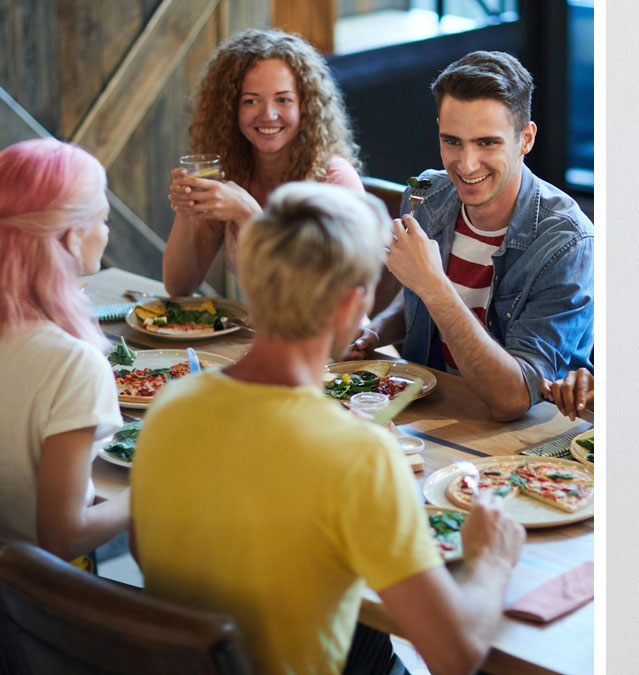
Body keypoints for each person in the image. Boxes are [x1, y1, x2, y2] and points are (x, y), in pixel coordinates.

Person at [131, 183, 524, 675]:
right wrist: (493, 560)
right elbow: (455, 654)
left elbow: (142, 554)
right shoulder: (359, 455)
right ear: (348, 305)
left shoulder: (170, 405)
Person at [349, 51, 594, 422]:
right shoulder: (426, 196)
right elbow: (416, 293)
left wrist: (433, 285)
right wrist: (376, 331)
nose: (466, 164)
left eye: (487, 143)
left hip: (523, 442)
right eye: (452, 141)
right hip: (432, 412)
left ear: (525, 138)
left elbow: (513, 398)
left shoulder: (568, 242)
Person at [0, 138, 128, 567]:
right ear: (73, 237)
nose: (106, 232)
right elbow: (63, 535)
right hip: (35, 609)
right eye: (104, 219)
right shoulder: (73, 363)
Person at [163, 28, 364, 297]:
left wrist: (250, 215)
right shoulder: (233, 171)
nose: (268, 115)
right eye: (250, 101)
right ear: (230, 109)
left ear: (306, 106)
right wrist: (186, 210)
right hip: (256, 334)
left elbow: (327, 300)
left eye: (283, 99)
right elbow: (179, 286)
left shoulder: (334, 180)